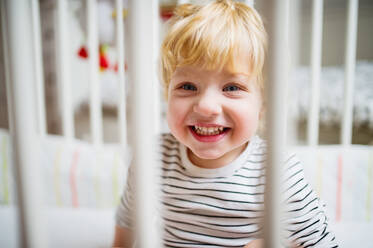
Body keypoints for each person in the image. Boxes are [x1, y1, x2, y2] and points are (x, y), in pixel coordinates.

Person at [113, 1, 338, 247]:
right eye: (187, 86)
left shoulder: (278, 172)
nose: (207, 106)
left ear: (264, 103)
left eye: (232, 87)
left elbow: (321, 242)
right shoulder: (153, 158)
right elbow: (129, 219)